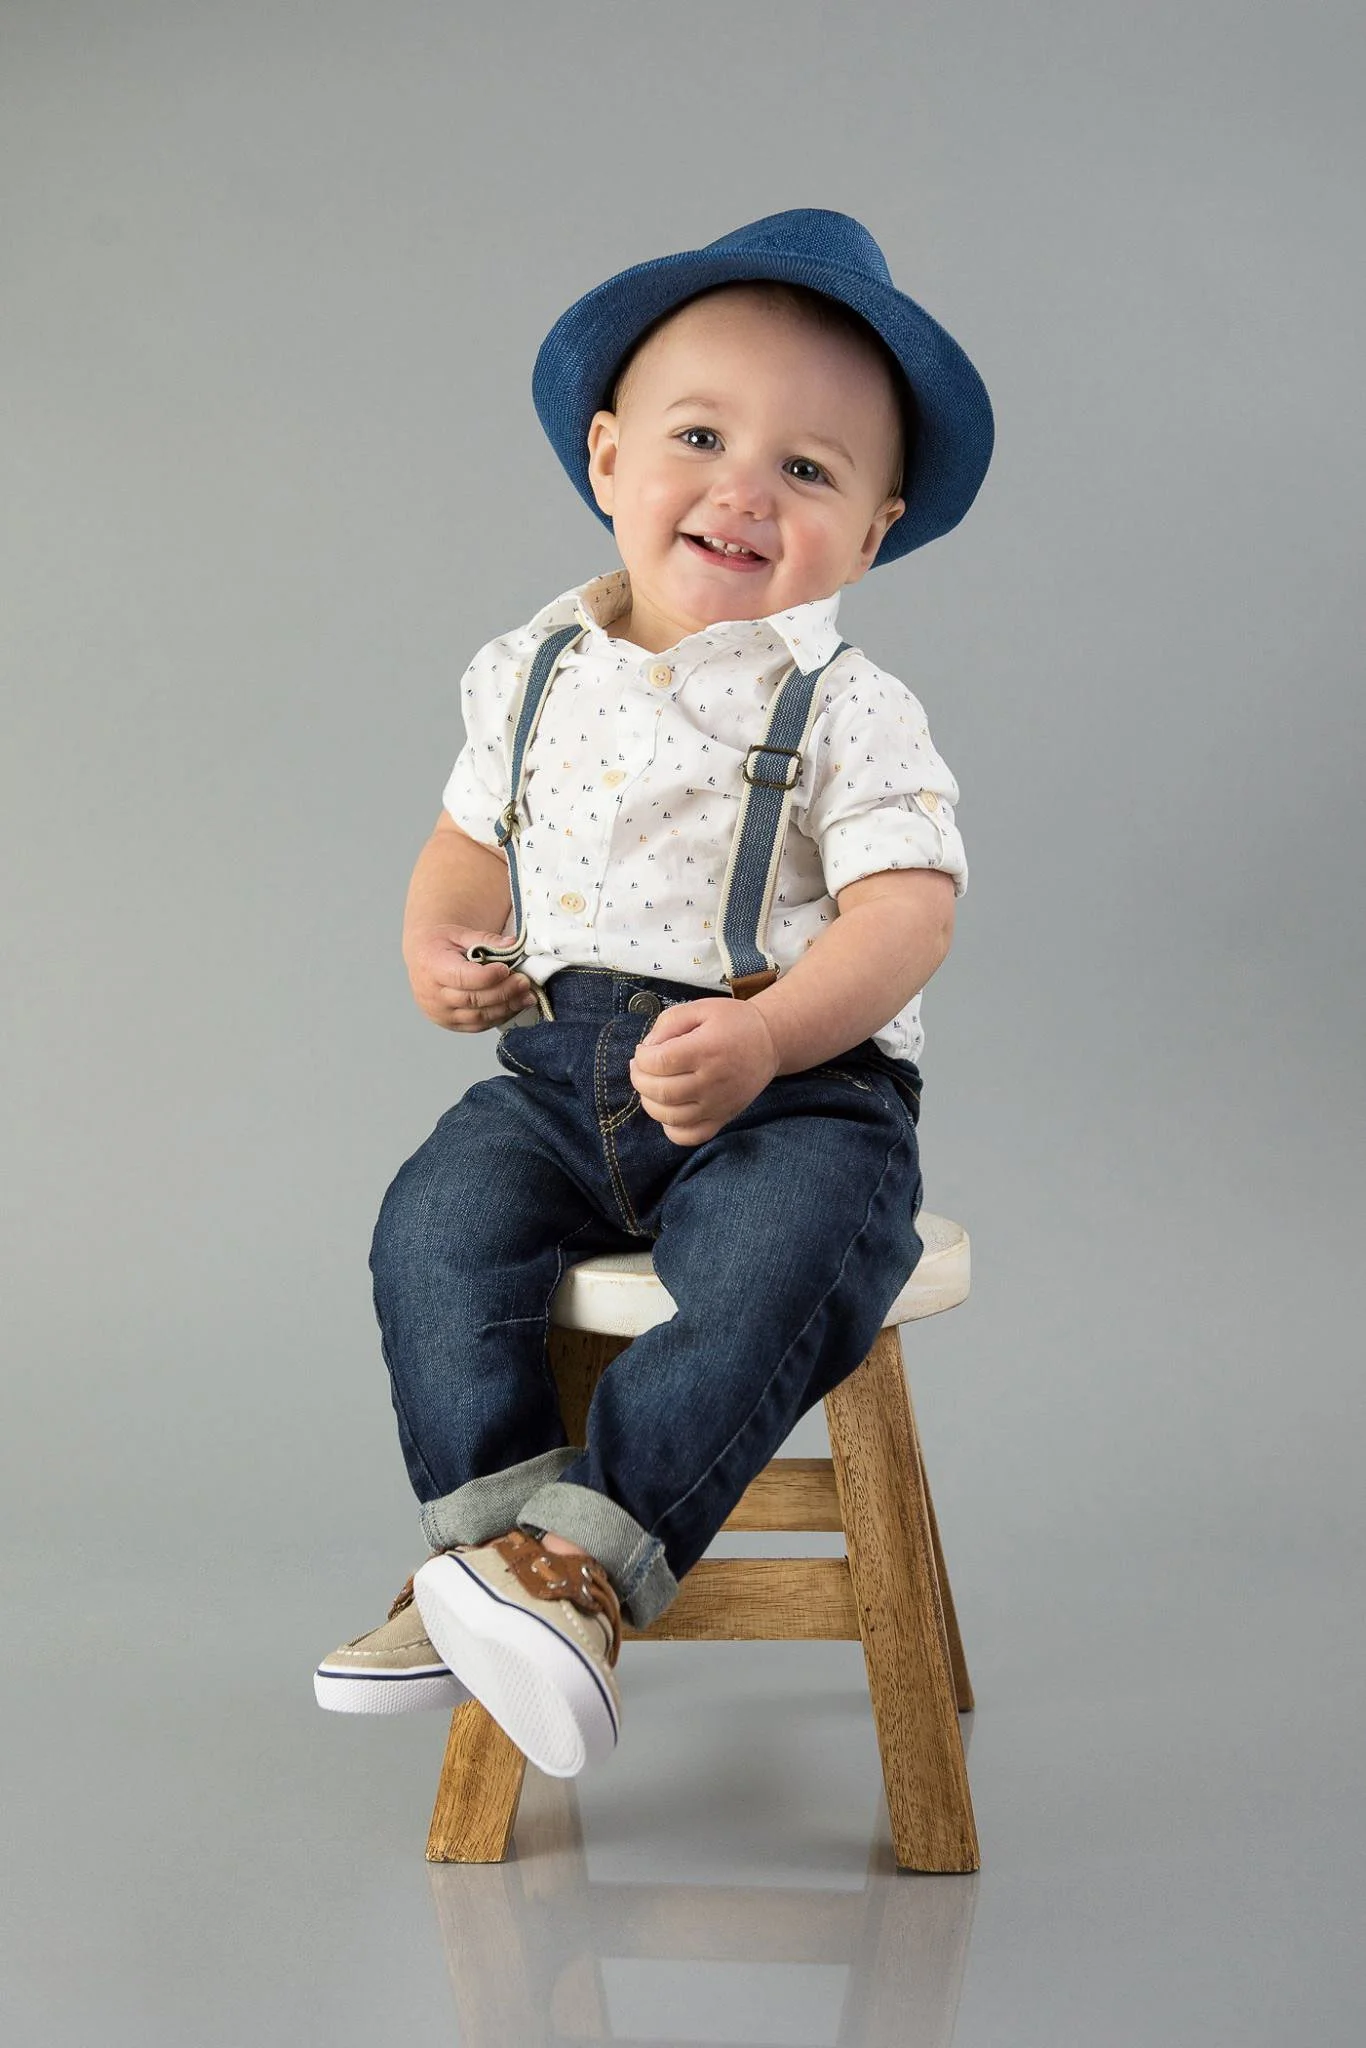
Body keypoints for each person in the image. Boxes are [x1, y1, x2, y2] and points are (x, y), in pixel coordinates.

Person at [312, 209, 993, 1778]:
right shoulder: (527, 668)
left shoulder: (849, 707)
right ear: (609, 458)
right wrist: (447, 947)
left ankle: (584, 1565)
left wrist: (768, 1035)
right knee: (433, 1230)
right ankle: (489, 1558)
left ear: (872, 533)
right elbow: (464, 846)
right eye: (701, 435)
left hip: (792, 1092)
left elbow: (907, 914)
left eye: (809, 472)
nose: (745, 488)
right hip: (563, 1084)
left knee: (786, 1258)